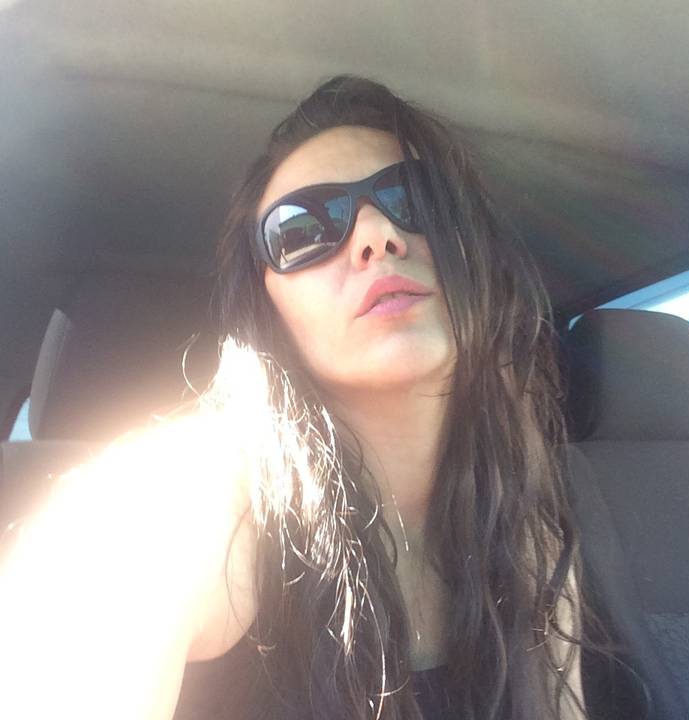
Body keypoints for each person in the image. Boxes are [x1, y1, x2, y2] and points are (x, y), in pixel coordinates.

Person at [0, 75, 588, 720]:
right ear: (269, 310)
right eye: (302, 230)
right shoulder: (168, 505)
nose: (376, 236)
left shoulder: (527, 518)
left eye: (416, 199)